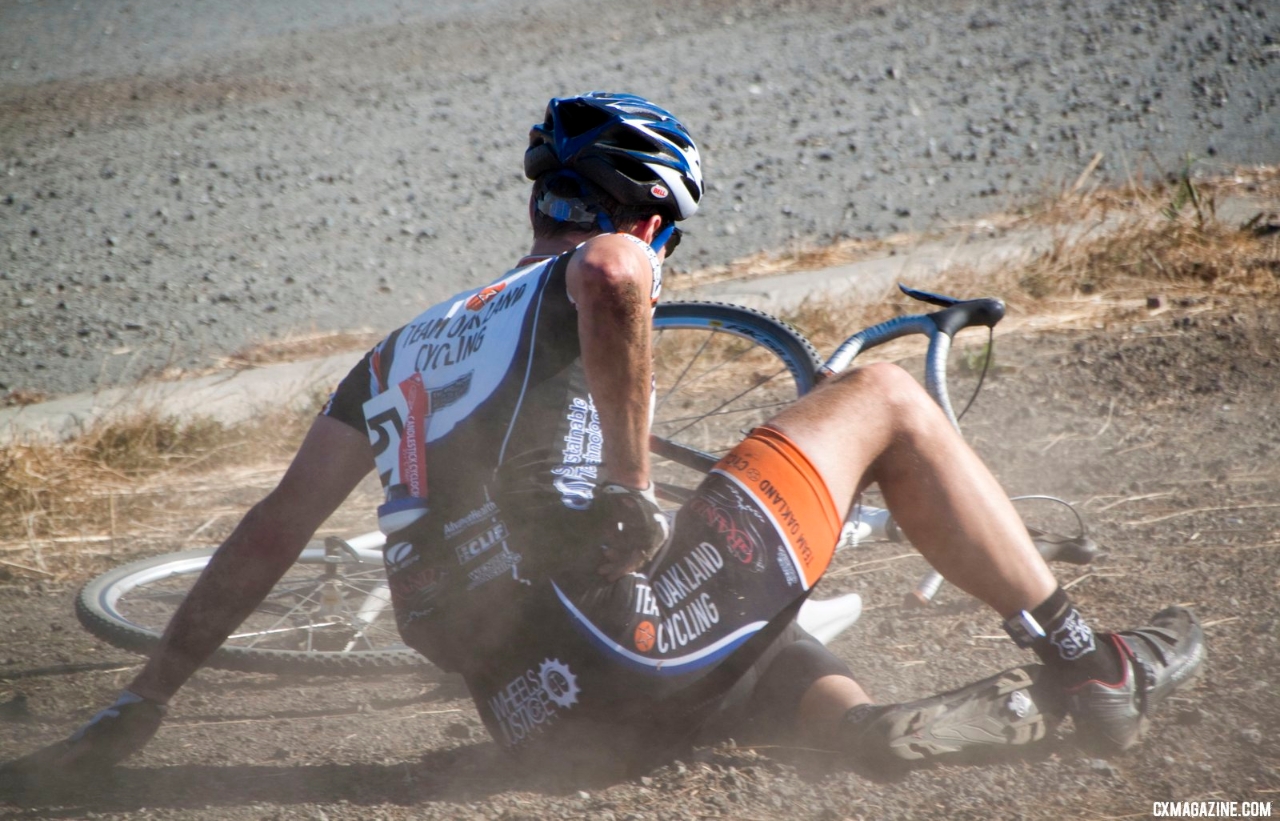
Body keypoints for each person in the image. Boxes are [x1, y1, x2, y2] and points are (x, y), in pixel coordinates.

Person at [3, 92, 1203, 783]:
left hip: (539, 715)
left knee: (743, 624)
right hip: (616, 634)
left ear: (535, 197)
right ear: (643, 207)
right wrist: (629, 482)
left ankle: (870, 733)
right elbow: (621, 278)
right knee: (884, 395)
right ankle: (1091, 658)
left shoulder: (399, 350)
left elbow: (270, 531)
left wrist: (146, 696)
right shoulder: (597, 260)